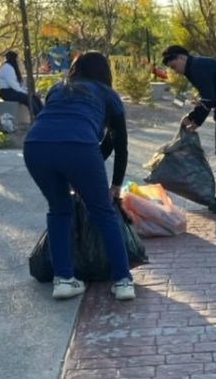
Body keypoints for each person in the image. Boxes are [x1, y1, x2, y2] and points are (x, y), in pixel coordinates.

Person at [23, 52, 135, 301]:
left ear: (75, 69)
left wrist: (84, 173)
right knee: (104, 213)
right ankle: (123, 281)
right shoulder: (108, 95)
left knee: (59, 209)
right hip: (80, 148)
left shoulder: (58, 88)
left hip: (35, 146)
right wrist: (115, 185)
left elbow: (77, 136)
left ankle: (63, 279)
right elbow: (119, 145)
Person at [160, 45, 216, 214]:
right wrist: (194, 119)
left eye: (174, 66)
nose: (175, 71)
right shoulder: (195, 67)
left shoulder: (197, 67)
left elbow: (209, 98)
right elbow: (209, 97)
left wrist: (194, 118)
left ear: (181, 57)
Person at [0, 50, 43, 115]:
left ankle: (43, 114)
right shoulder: (7, 68)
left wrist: (26, 91)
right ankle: (37, 115)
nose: (19, 62)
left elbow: (18, 85)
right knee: (28, 98)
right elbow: (14, 85)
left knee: (35, 97)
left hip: (12, 91)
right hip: (7, 92)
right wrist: (25, 93)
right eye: (18, 59)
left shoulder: (10, 67)